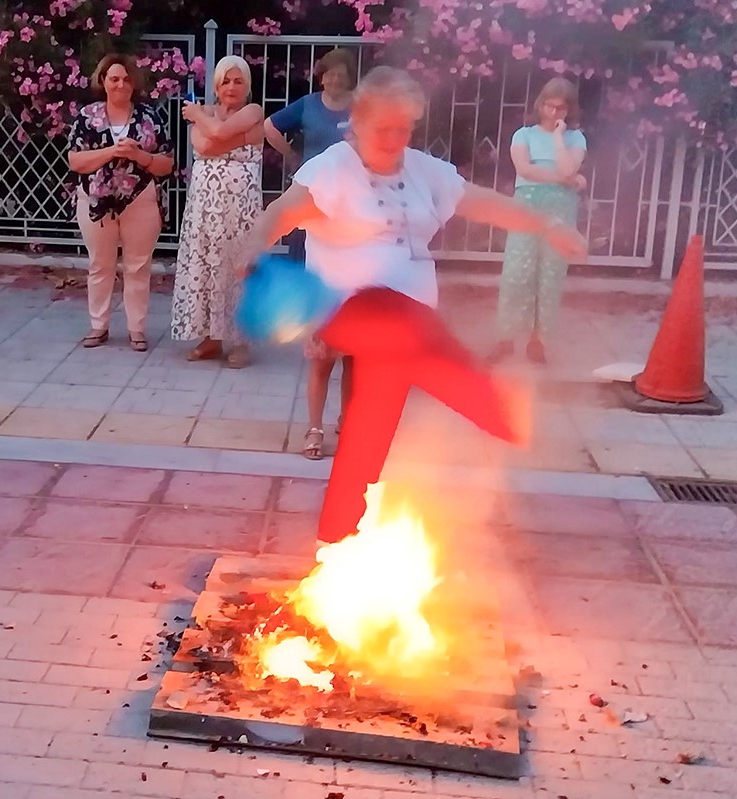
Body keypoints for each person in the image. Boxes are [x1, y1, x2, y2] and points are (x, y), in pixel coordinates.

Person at [239, 67, 587, 545]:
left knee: (371, 423)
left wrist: (547, 224)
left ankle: (336, 537)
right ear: (357, 120)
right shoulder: (333, 168)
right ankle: (493, 407)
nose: (394, 138)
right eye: (384, 127)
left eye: (404, 127)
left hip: (412, 330)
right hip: (346, 308)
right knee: (398, 315)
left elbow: (484, 203)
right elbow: (282, 212)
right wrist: (254, 249)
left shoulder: (424, 171)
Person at [263, 49, 358, 457]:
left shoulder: (360, 108)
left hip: (352, 217)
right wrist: (294, 157)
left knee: (356, 354)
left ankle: (349, 421)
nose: (335, 80)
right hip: (314, 207)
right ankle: (315, 425)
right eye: (329, 74)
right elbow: (269, 126)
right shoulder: (307, 106)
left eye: (342, 74)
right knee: (310, 271)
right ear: (321, 77)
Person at [67, 53, 175, 352]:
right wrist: (113, 152)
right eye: (114, 79)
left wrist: (139, 156)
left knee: (138, 266)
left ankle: (136, 329)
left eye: (126, 79)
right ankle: (98, 326)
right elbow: (75, 160)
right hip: (96, 203)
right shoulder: (87, 117)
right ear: (103, 81)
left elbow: (166, 164)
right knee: (100, 265)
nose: (120, 84)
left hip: (140, 199)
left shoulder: (150, 117)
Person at [487, 77, 588, 365]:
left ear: (569, 110)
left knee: (551, 273)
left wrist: (558, 138)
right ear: (540, 104)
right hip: (528, 205)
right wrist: (568, 179)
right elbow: (525, 170)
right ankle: (505, 338)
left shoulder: (575, 138)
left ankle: (538, 342)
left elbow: (570, 165)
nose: (553, 113)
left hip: (561, 208)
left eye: (560, 108)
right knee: (517, 272)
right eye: (549, 105)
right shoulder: (524, 135)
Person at [171, 55, 264, 368]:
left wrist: (199, 116)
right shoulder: (209, 113)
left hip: (241, 210)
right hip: (205, 210)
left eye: (238, 81)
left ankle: (241, 341)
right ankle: (211, 338)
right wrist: (231, 134)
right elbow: (207, 147)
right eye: (226, 80)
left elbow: (216, 138)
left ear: (247, 85)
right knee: (207, 267)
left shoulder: (254, 111)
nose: (232, 87)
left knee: (240, 268)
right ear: (216, 84)